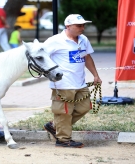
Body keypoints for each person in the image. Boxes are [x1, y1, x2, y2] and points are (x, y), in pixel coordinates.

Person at [43, 14, 102, 148]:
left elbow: (87, 58)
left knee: (85, 107)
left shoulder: (83, 39)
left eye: (83, 25)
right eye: (79, 25)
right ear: (68, 26)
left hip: (80, 83)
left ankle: (54, 126)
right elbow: (40, 56)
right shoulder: (55, 40)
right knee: (64, 112)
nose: (83, 28)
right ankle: (63, 140)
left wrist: (96, 75)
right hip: (62, 84)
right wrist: (50, 73)